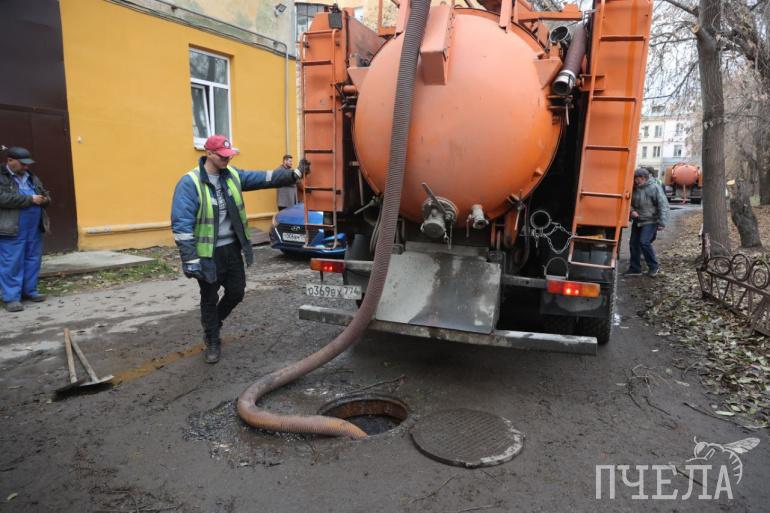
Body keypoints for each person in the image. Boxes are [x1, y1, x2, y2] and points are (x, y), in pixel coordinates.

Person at [171, 135, 303, 363]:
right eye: (223, 156)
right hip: (208, 253)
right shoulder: (190, 182)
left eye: (229, 155)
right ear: (208, 154)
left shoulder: (232, 175)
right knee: (209, 297)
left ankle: (214, 322)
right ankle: (212, 340)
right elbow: (181, 224)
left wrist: (294, 174)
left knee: (237, 291)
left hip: (231, 249)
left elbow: (264, 178)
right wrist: (190, 259)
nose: (227, 160)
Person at [0, 147, 51, 312]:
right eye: (22, 164)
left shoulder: (31, 177)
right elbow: (2, 198)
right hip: (12, 227)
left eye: (27, 164)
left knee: (32, 259)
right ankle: (11, 298)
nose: (26, 167)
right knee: (12, 262)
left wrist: (45, 200)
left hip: (34, 227)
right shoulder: (2, 176)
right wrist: (30, 199)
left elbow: (46, 194)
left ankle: (30, 291)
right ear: (10, 161)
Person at [624, 167, 669, 278]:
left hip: (651, 220)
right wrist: (632, 211)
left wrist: (662, 222)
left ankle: (654, 267)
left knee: (644, 242)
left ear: (644, 178)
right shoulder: (634, 187)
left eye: (638, 179)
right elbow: (628, 202)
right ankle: (635, 269)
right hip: (638, 220)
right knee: (633, 244)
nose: (636, 181)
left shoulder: (654, 187)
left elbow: (663, 205)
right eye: (635, 179)